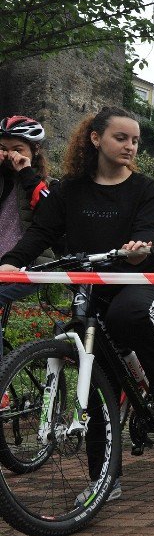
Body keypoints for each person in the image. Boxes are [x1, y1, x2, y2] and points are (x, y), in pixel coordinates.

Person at [0, 106, 154, 504]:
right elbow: (41, 233)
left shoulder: (146, 189)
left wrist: (139, 251)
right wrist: (10, 263)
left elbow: (147, 234)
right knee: (100, 377)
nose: (130, 146)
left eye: (135, 140)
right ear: (96, 138)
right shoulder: (70, 190)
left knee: (127, 315)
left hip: (143, 279)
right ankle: (106, 479)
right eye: (122, 138)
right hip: (92, 286)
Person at [0, 116, 54, 360]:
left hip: (32, 267)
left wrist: (25, 171)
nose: (11, 155)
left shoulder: (46, 185)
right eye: (4, 149)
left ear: (35, 150)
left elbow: (49, 214)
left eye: (18, 149)